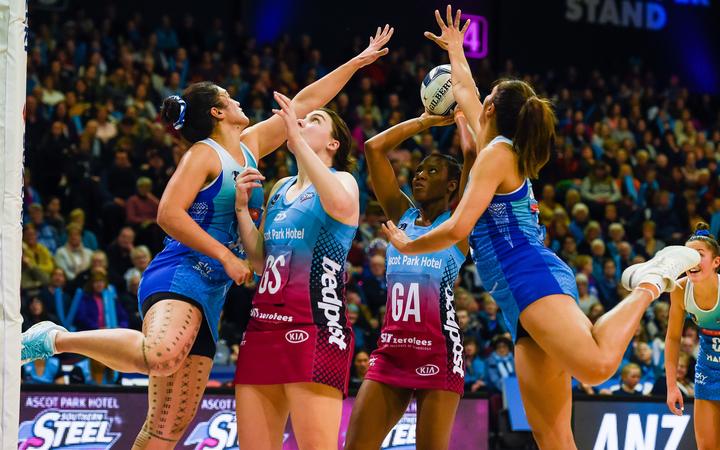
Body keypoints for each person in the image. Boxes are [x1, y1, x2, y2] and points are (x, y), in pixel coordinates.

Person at [21, 24, 392, 449]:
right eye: (229, 98)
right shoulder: (203, 153)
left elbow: (304, 102)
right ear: (218, 112)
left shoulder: (250, 145)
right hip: (181, 271)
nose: (238, 100)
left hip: (212, 288)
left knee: (165, 429)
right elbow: (167, 214)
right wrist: (226, 255)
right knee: (159, 354)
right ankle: (54, 337)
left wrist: (356, 63)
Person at [382, 7, 700, 448]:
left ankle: (651, 279)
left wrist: (409, 244)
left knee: (596, 366)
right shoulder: (495, 142)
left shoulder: (497, 153)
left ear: (492, 108)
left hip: (529, 274)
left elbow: (457, 228)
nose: (477, 100)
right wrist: (455, 47)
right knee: (552, 436)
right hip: (517, 295)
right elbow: (465, 88)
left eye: (485, 98)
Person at [232, 90, 360, 449]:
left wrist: (294, 137)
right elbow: (259, 261)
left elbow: (340, 203)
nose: (302, 121)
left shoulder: (344, 181)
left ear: (333, 143)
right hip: (262, 329)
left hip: (315, 327)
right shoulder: (280, 188)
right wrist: (243, 211)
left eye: (313, 121)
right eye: (302, 118)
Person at [344, 103, 475, 450]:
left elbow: (473, 152)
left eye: (431, 172)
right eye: (418, 170)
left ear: (452, 187)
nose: (418, 175)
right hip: (392, 349)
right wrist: (425, 120)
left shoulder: (456, 224)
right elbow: (374, 148)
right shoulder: (401, 214)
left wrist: (460, 117)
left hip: (438, 349)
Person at [665, 223, 720, 450]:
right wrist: (671, 386)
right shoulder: (679, 289)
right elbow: (673, 338)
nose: (692, 261)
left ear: (716, 262)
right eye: (688, 256)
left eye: (699, 255)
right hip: (707, 368)